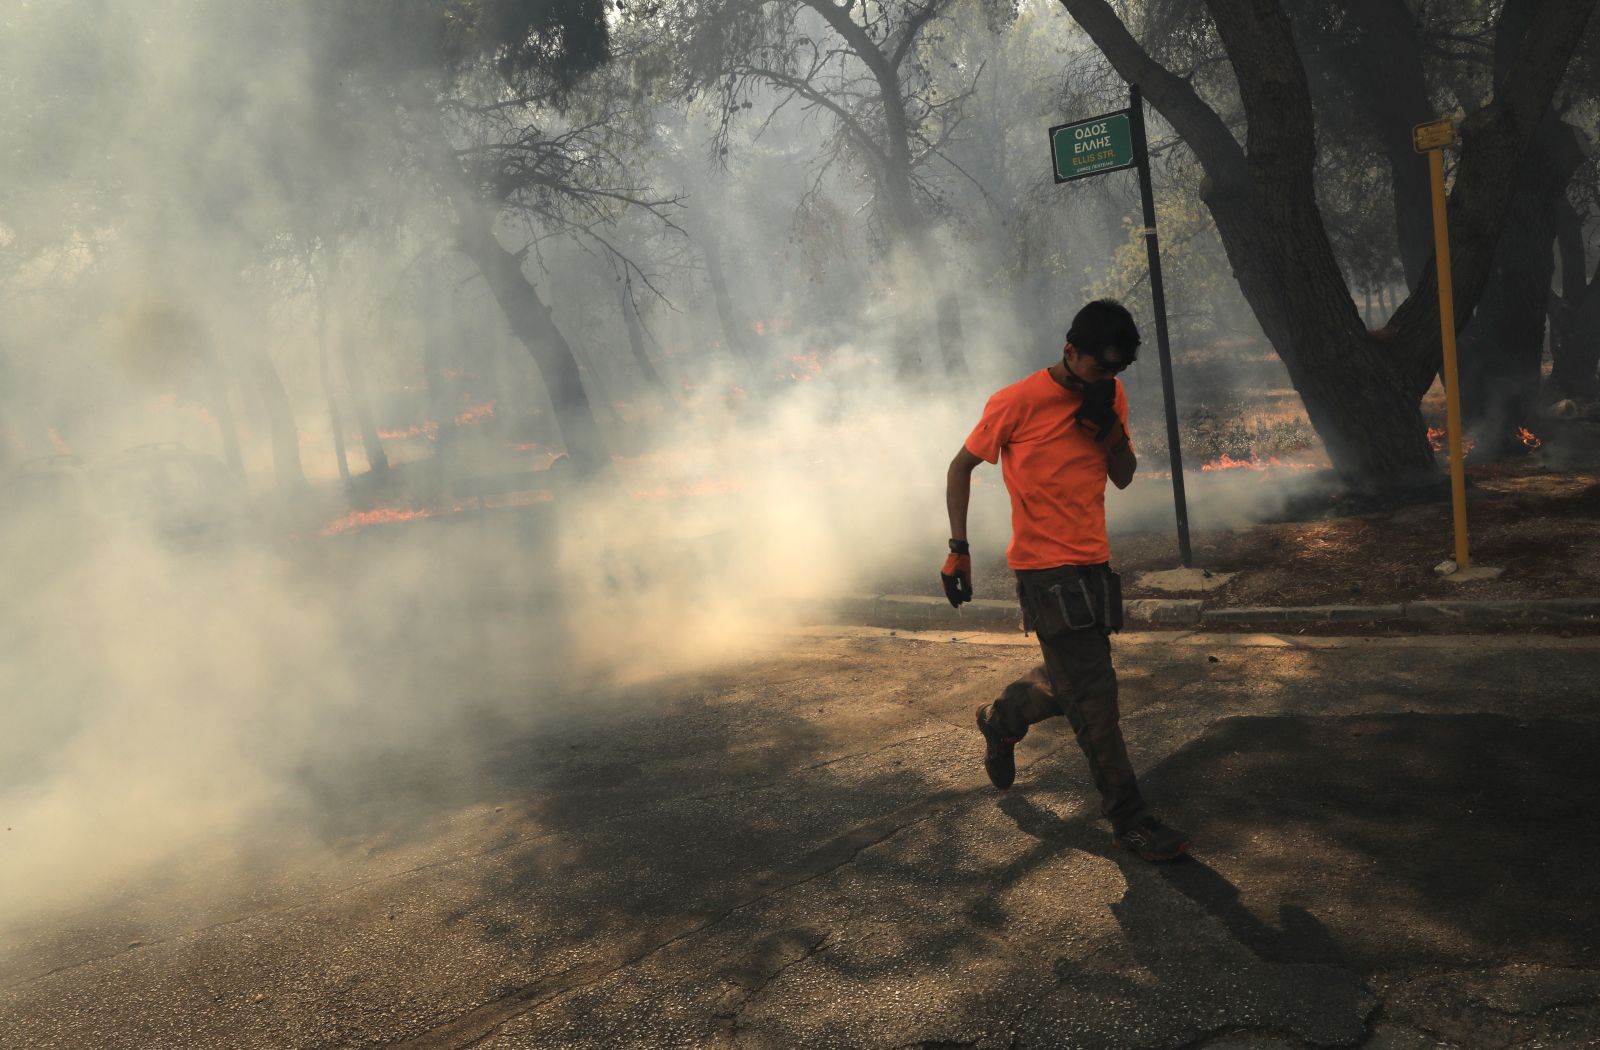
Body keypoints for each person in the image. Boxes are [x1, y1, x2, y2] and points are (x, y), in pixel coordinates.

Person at [942, 299, 1189, 863]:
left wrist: (1109, 430)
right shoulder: (1015, 402)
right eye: (1099, 369)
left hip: (1092, 564)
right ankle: (1130, 819)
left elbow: (1123, 478)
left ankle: (1001, 717)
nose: (1107, 380)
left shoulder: (1108, 395)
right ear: (1069, 352)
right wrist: (959, 549)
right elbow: (960, 467)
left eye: (1116, 373)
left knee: (1074, 682)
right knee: (1095, 699)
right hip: (1043, 571)